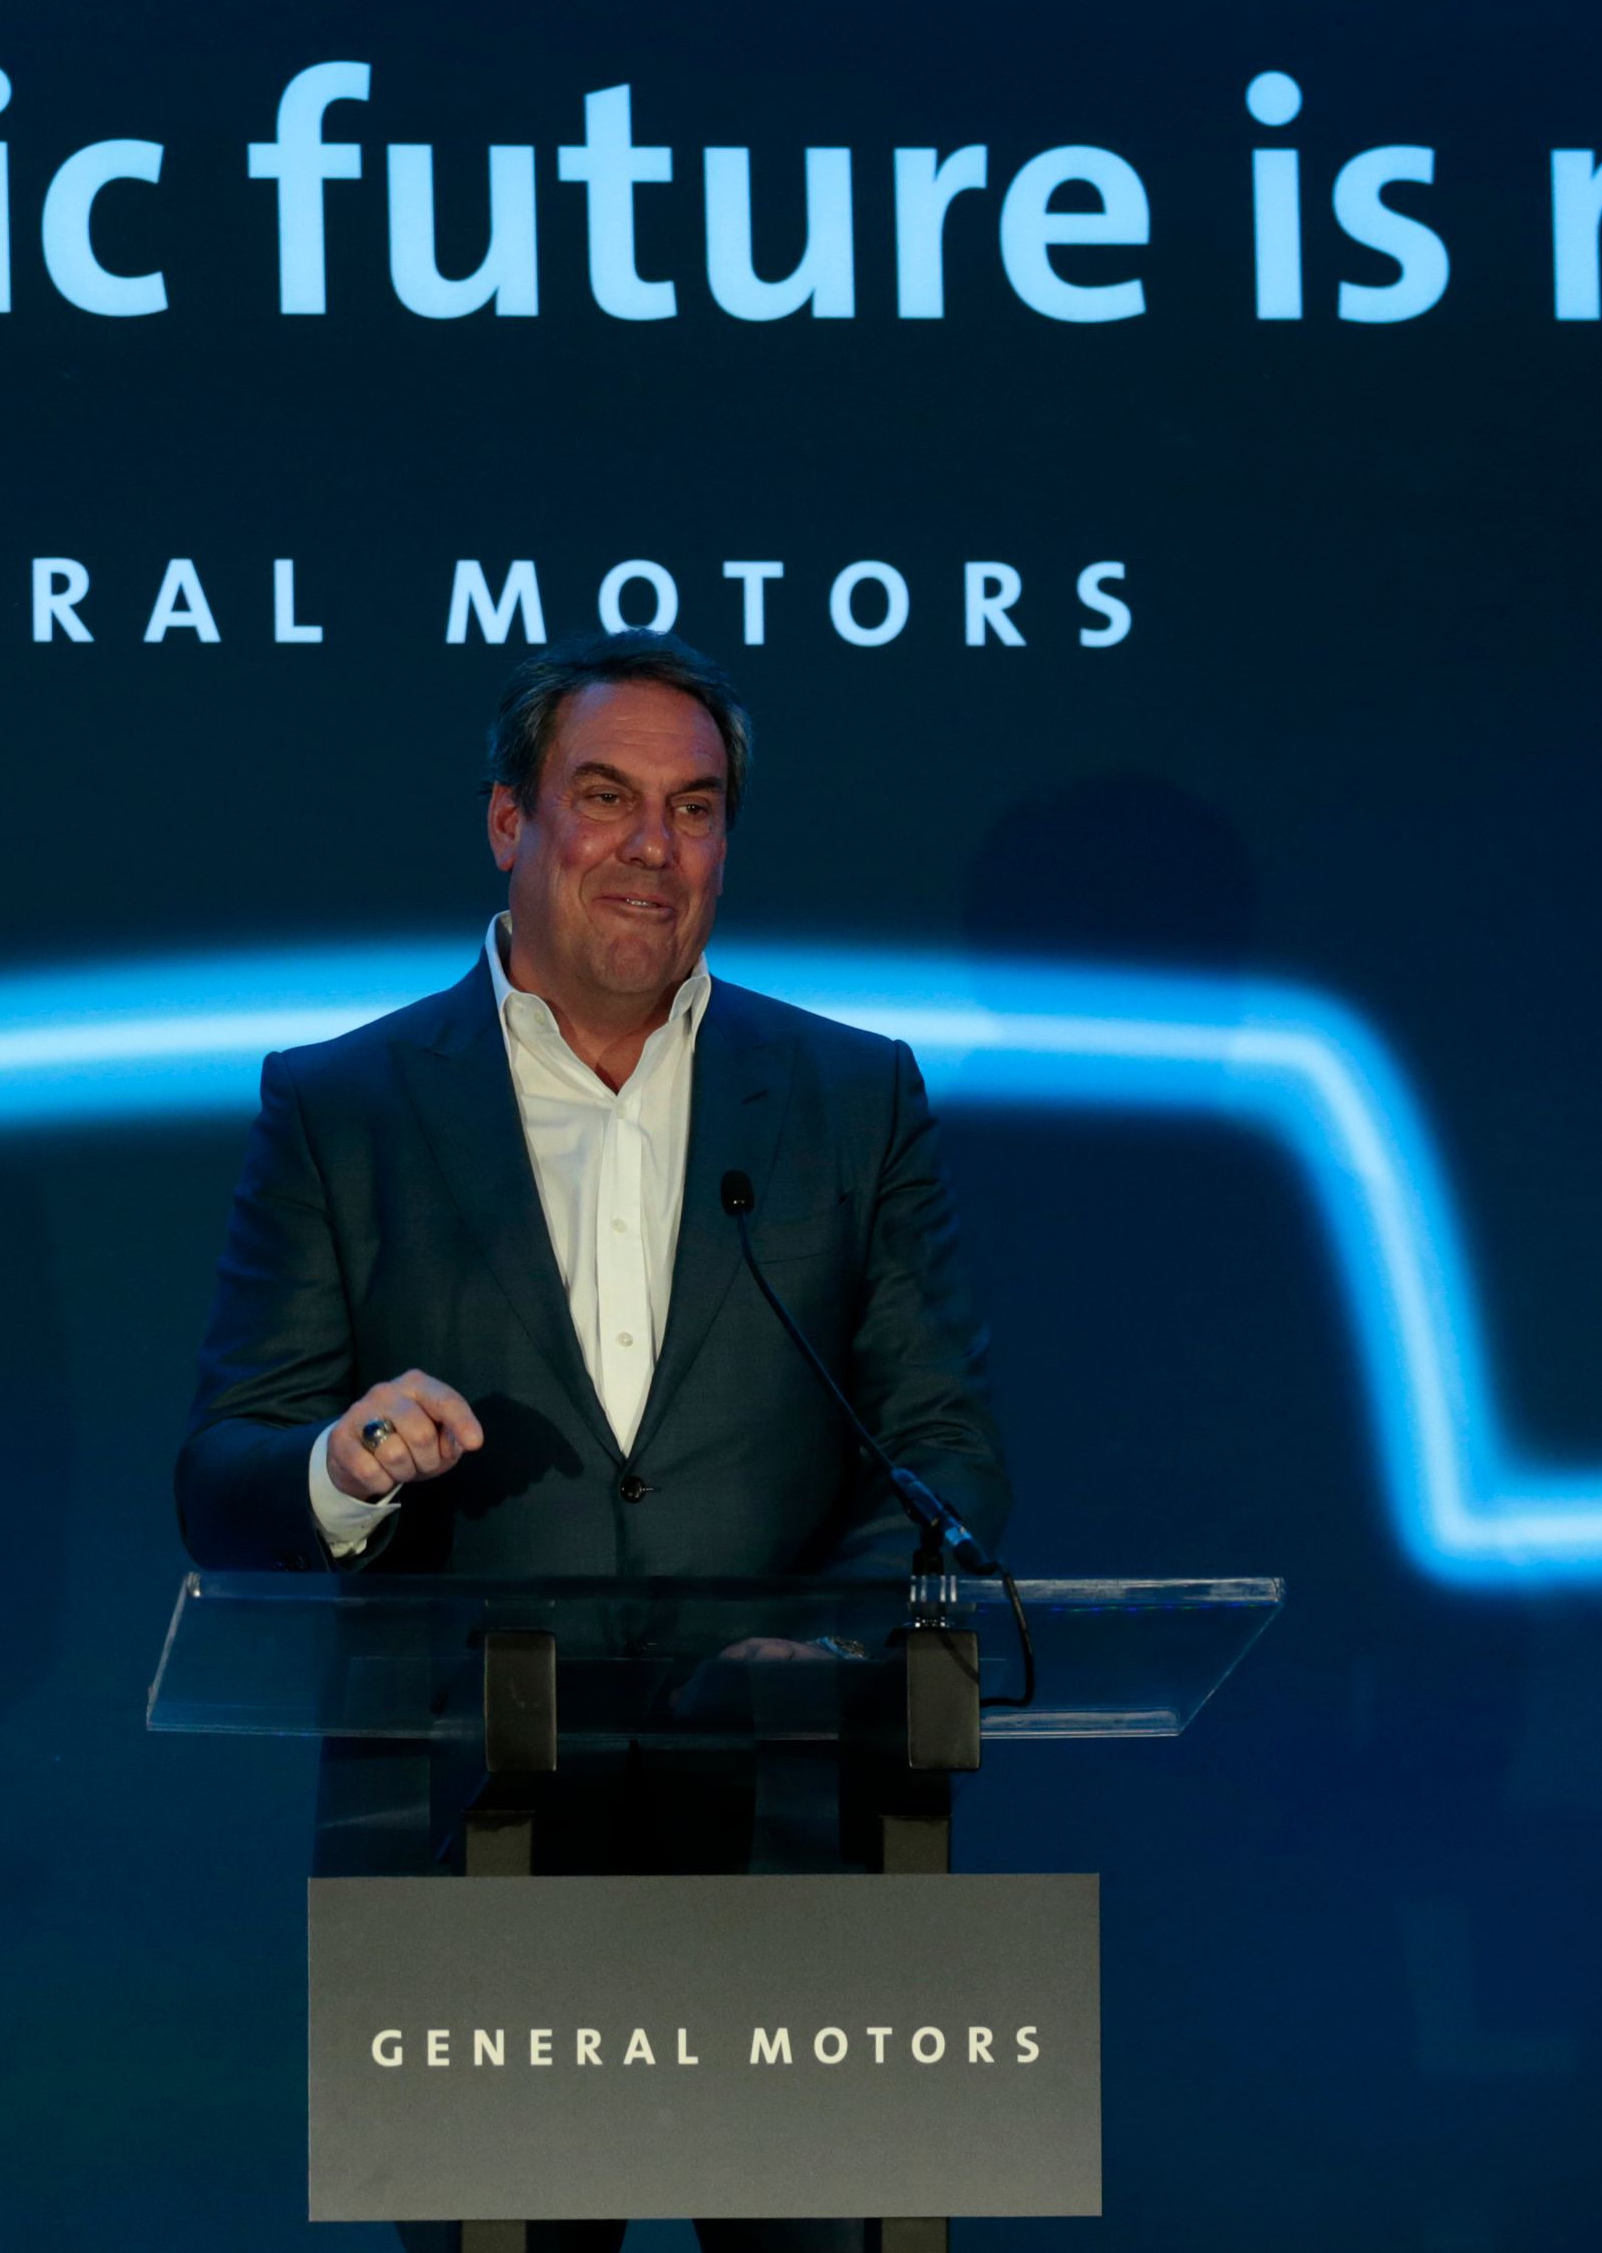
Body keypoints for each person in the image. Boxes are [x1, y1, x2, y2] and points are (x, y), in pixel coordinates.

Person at [173, 630, 1010, 2253]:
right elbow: (223, 1470)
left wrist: (817, 1642)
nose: (654, 845)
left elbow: (942, 1454)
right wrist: (337, 1466)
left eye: (697, 809)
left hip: (794, 1833)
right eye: (607, 796)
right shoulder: (344, 1109)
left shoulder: (852, 1098)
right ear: (509, 821)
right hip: (479, 1837)